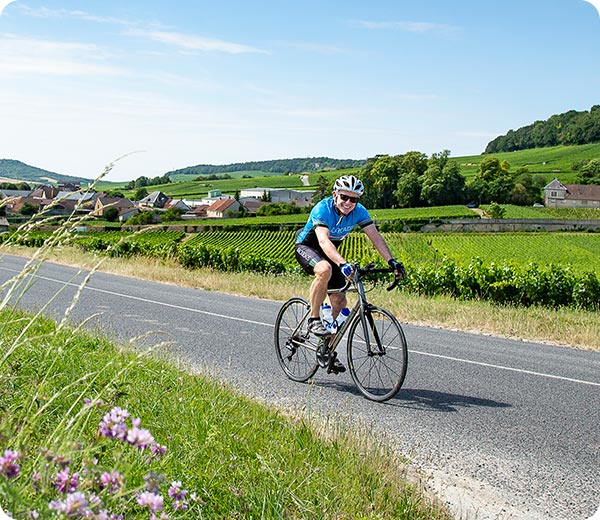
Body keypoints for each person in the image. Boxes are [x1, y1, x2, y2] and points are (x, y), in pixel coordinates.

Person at [295, 174, 406, 339]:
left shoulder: (359, 212)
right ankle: (314, 318)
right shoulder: (322, 209)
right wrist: (342, 263)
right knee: (324, 269)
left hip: (331, 253)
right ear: (335, 195)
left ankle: (327, 351)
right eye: (344, 197)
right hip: (308, 246)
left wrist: (391, 261)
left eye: (353, 200)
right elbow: (323, 241)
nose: (348, 203)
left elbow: (375, 237)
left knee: (340, 302)